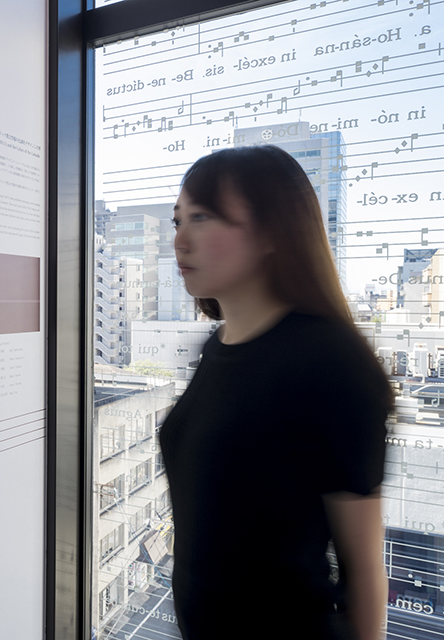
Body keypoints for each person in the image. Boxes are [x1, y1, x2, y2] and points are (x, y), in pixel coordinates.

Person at [160, 145, 392, 640]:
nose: (180, 240)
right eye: (177, 220)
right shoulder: (216, 346)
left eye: (202, 217)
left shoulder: (328, 360)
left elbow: (364, 570)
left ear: (272, 231)